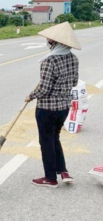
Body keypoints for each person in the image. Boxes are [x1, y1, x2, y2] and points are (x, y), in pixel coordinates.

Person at [25, 22, 80, 188]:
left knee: (46, 142)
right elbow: (74, 81)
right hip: (63, 108)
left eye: (49, 39)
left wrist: (31, 96)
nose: (47, 41)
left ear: (54, 43)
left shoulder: (49, 61)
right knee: (55, 138)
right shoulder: (73, 58)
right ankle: (62, 170)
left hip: (47, 109)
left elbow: (45, 89)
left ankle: (50, 178)